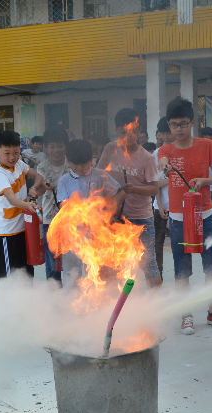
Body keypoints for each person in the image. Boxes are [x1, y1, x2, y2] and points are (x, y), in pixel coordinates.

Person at [157, 97, 212, 334]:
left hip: (206, 216)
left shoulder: (206, 145)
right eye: (173, 125)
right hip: (179, 220)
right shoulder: (165, 150)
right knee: (181, 268)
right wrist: (164, 165)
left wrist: (204, 181)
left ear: (192, 122)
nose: (178, 129)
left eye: (182, 124)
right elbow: (162, 162)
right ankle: (186, 315)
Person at [97, 108, 162, 288]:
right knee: (111, 263)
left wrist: (133, 190)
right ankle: (109, 302)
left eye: (133, 131)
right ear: (116, 131)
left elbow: (153, 189)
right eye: (123, 132)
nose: (128, 136)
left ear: (140, 132)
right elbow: (99, 174)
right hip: (114, 216)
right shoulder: (110, 148)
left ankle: (156, 307)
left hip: (140, 218)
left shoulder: (147, 158)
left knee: (148, 264)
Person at [56, 139, 125, 288]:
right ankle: (71, 304)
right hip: (73, 236)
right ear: (68, 161)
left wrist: (109, 211)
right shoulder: (64, 181)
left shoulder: (100, 175)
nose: (81, 168)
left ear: (92, 159)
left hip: (98, 234)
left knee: (96, 272)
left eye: (85, 164)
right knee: (71, 274)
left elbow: (120, 192)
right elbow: (63, 206)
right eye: (76, 165)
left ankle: (95, 304)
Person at [0, 131, 46, 279]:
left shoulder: (20, 164)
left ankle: (26, 301)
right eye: (7, 153)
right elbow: (11, 199)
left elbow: (38, 176)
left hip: (23, 228)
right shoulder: (0, 173)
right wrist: (28, 205)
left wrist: (34, 188)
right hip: (7, 232)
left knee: (26, 271)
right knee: (9, 277)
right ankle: (8, 302)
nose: (12, 157)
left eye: (16, 152)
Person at [37, 128, 71, 283]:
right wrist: (44, 185)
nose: (56, 150)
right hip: (50, 219)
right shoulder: (42, 167)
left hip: (71, 219)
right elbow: (39, 189)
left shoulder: (71, 164)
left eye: (60, 146)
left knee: (71, 258)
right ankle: (53, 292)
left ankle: (72, 291)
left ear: (66, 146)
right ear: (46, 148)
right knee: (52, 259)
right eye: (52, 146)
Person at [152, 117, 174, 279]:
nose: (166, 136)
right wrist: (159, 204)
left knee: (178, 244)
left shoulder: (180, 151)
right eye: (163, 133)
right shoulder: (156, 153)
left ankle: (180, 278)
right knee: (157, 243)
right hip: (160, 204)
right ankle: (158, 276)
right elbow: (154, 182)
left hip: (178, 206)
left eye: (168, 132)